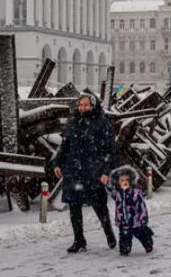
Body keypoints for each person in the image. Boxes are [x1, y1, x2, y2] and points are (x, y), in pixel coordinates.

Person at [53, 93, 117, 253]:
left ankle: (109, 233)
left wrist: (105, 171)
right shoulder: (72, 123)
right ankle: (79, 240)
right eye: (80, 105)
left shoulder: (102, 123)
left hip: (93, 172)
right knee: (74, 207)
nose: (82, 108)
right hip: (74, 171)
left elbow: (109, 150)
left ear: (92, 106)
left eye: (86, 105)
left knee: (99, 206)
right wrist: (58, 163)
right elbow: (65, 146)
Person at [104, 165, 154, 256]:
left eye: (127, 180)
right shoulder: (118, 194)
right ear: (118, 182)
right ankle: (124, 249)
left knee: (141, 234)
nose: (125, 182)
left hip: (136, 221)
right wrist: (106, 182)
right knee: (124, 236)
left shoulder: (135, 193)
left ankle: (148, 244)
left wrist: (143, 219)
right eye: (122, 180)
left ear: (131, 180)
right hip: (123, 221)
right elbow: (111, 191)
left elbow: (141, 207)